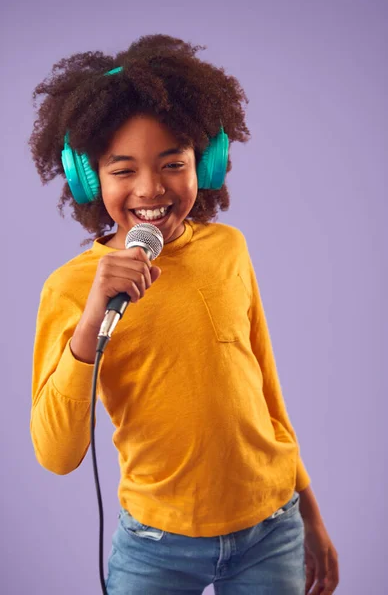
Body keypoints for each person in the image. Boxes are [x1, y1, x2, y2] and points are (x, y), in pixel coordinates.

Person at [29, 34, 339, 595]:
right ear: (87, 178)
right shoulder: (72, 289)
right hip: (156, 548)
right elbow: (56, 454)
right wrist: (92, 318)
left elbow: (266, 390)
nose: (151, 188)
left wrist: (310, 514)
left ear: (207, 162)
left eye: (173, 163)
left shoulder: (229, 249)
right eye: (123, 170)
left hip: (273, 529)